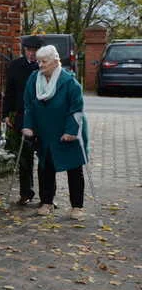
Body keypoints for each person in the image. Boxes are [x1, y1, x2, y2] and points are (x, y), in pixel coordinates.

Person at [22, 45, 89, 220]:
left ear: (56, 62)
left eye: (44, 61)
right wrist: (28, 125)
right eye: (39, 61)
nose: (41, 65)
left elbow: (76, 109)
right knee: (45, 167)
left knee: (74, 168)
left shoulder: (69, 82)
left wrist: (71, 131)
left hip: (67, 132)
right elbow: (28, 105)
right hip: (46, 132)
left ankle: (77, 206)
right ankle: (47, 202)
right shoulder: (33, 80)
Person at [3, 35, 45, 206]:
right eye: (29, 50)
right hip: (22, 115)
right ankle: (26, 193)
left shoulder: (46, 66)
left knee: (45, 158)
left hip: (43, 117)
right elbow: (9, 91)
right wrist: (6, 114)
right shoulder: (15, 66)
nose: (32, 54)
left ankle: (47, 197)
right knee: (24, 158)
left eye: (35, 51)